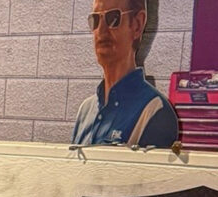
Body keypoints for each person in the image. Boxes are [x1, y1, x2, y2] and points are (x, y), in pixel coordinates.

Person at [71, 0, 178, 147]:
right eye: (95, 20)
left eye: (113, 18)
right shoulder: (85, 111)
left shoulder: (155, 111)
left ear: (137, 25)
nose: (100, 31)